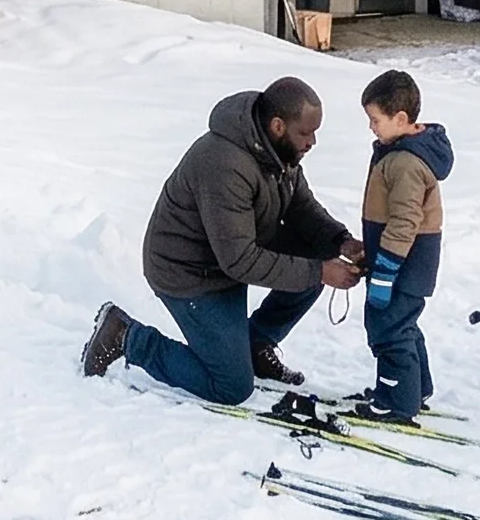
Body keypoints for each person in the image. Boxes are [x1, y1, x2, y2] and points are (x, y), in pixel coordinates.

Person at [80, 77, 364, 405]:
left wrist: (342, 242)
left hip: (232, 251)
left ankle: (255, 346)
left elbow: (302, 209)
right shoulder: (224, 164)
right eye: (306, 132)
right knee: (231, 387)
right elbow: (240, 261)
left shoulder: (279, 152)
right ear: (277, 126)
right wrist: (320, 272)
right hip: (189, 272)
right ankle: (125, 336)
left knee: (314, 257)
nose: (312, 141)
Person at [355, 69, 454, 423]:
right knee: (403, 326)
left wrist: (385, 272)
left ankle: (397, 401)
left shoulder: (405, 162)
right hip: (403, 263)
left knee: (388, 330)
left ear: (400, 119)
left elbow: (404, 221)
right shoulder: (401, 151)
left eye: (375, 120)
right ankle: (415, 387)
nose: (371, 127)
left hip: (402, 266)